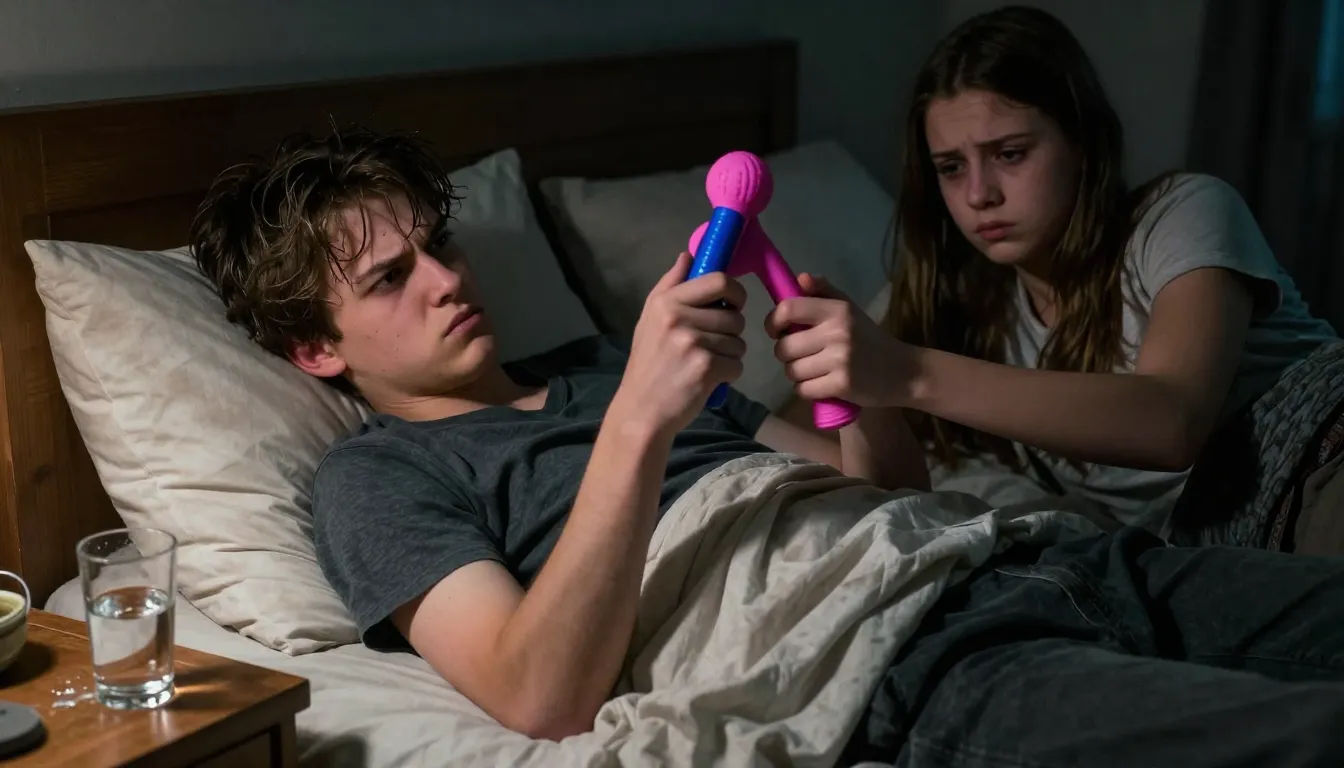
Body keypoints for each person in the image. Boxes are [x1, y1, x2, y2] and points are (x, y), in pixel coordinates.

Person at [190, 125, 1344, 765]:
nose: (447, 279)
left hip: (1020, 557)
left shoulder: (596, 365)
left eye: (438, 244)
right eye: (391, 279)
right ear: (315, 350)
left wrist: (863, 385)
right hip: (902, 654)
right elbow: (537, 695)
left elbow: (877, 489)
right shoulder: (378, 476)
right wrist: (640, 418)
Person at [770, 5, 1344, 555]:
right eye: (951, 167)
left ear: (1081, 142)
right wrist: (728, 395)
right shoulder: (954, 296)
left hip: (1321, 450)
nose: (979, 194)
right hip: (1233, 553)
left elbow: (1172, 421)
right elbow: (814, 437)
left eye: (1010, 154)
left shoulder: (1181, 212)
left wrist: (906, 372)